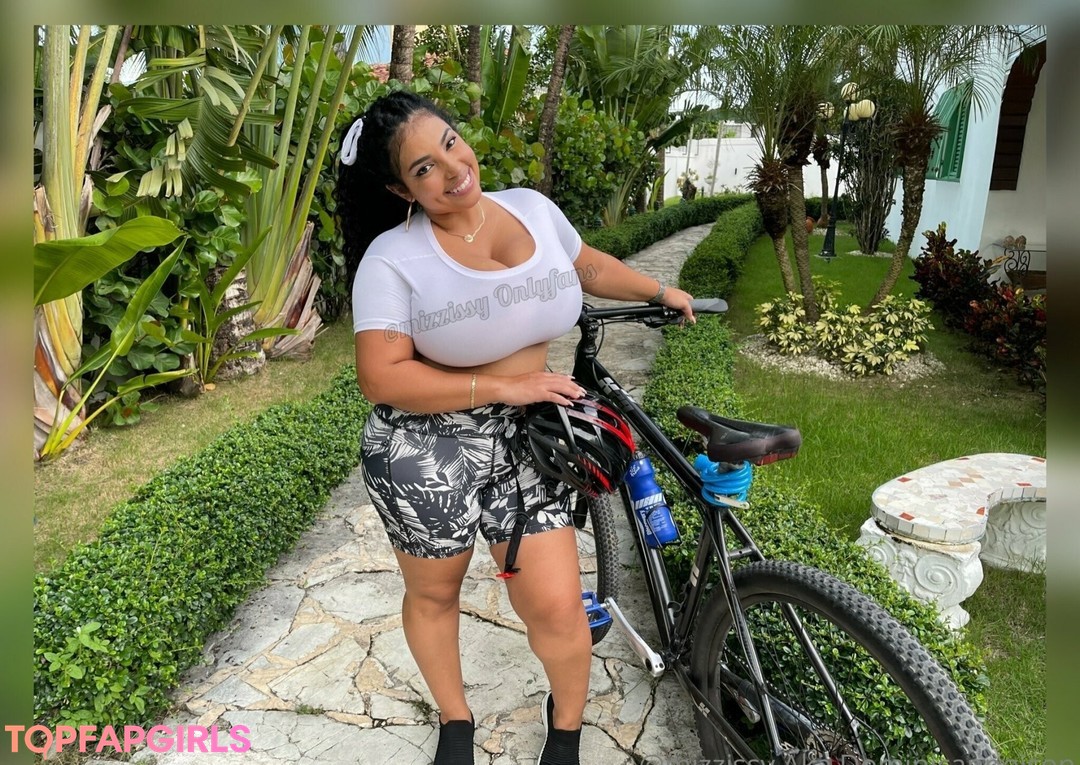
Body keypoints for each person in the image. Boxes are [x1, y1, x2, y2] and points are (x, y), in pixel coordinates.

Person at [335, 90, 695, 765]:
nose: (452, 169)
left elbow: (585, 263)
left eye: (449, 143)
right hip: (425, 448)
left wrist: (657, 290)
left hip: (530, 438)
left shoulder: (532, 207)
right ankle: (456, 721)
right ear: (400, 189)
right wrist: (505, 385)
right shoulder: (392, 259)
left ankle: (566, 732)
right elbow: (381, 377)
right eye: (423, 168)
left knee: (557, 605)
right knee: (435, 593)